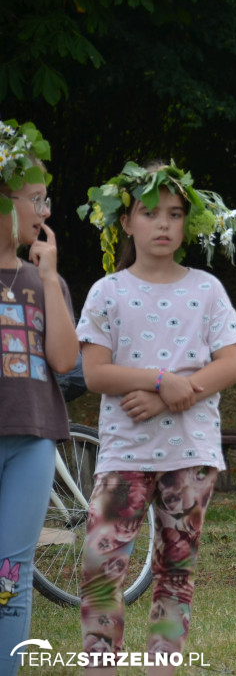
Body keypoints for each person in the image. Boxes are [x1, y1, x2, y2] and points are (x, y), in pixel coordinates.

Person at [75, 160, 236, 672]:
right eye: (150, 212)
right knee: (100, 566)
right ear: (126, 222)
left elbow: (231, 363)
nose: (163, 224)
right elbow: (95, 373)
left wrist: (172, 395)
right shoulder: (107, 292)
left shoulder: (206, 289)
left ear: (188, 224)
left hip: (191, 453)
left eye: (175, 214)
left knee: (175, 570)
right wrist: (160, 380)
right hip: (124, 455)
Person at [0, 119, 79, 676]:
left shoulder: (41, 278)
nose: (44, 210)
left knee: (10, 570)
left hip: (31, 443)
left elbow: (64, 361)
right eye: (34, 199)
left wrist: (50, 281)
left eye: (46, 198)